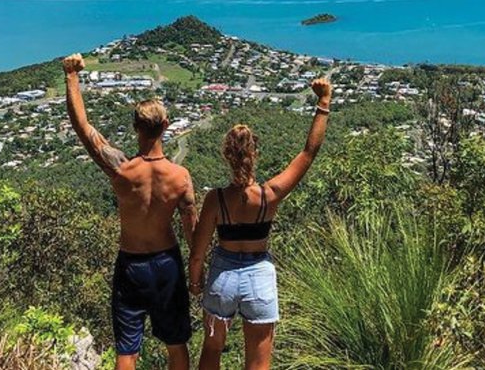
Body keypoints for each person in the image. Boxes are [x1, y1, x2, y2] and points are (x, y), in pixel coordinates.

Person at [62, 53, 198, 370]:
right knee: (176, 344)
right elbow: (192, 231)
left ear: (135, 126)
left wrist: (72, 76)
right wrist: (196, 271)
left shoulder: (121, 171)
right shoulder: (181, 178)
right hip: (167, 264)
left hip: (131, 265)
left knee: (127, 350)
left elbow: (83, 129)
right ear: (166, 126)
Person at [188, 78, 333, 370]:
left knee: (212, 348)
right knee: (258, 360)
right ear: (255, 154)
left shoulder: (216, 200)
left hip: (222, 278)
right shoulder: (270, 195)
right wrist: (324, 102)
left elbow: (198, 252)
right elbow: (308, 153)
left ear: (227, 156)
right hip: (259, 277)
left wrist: (194, 281)